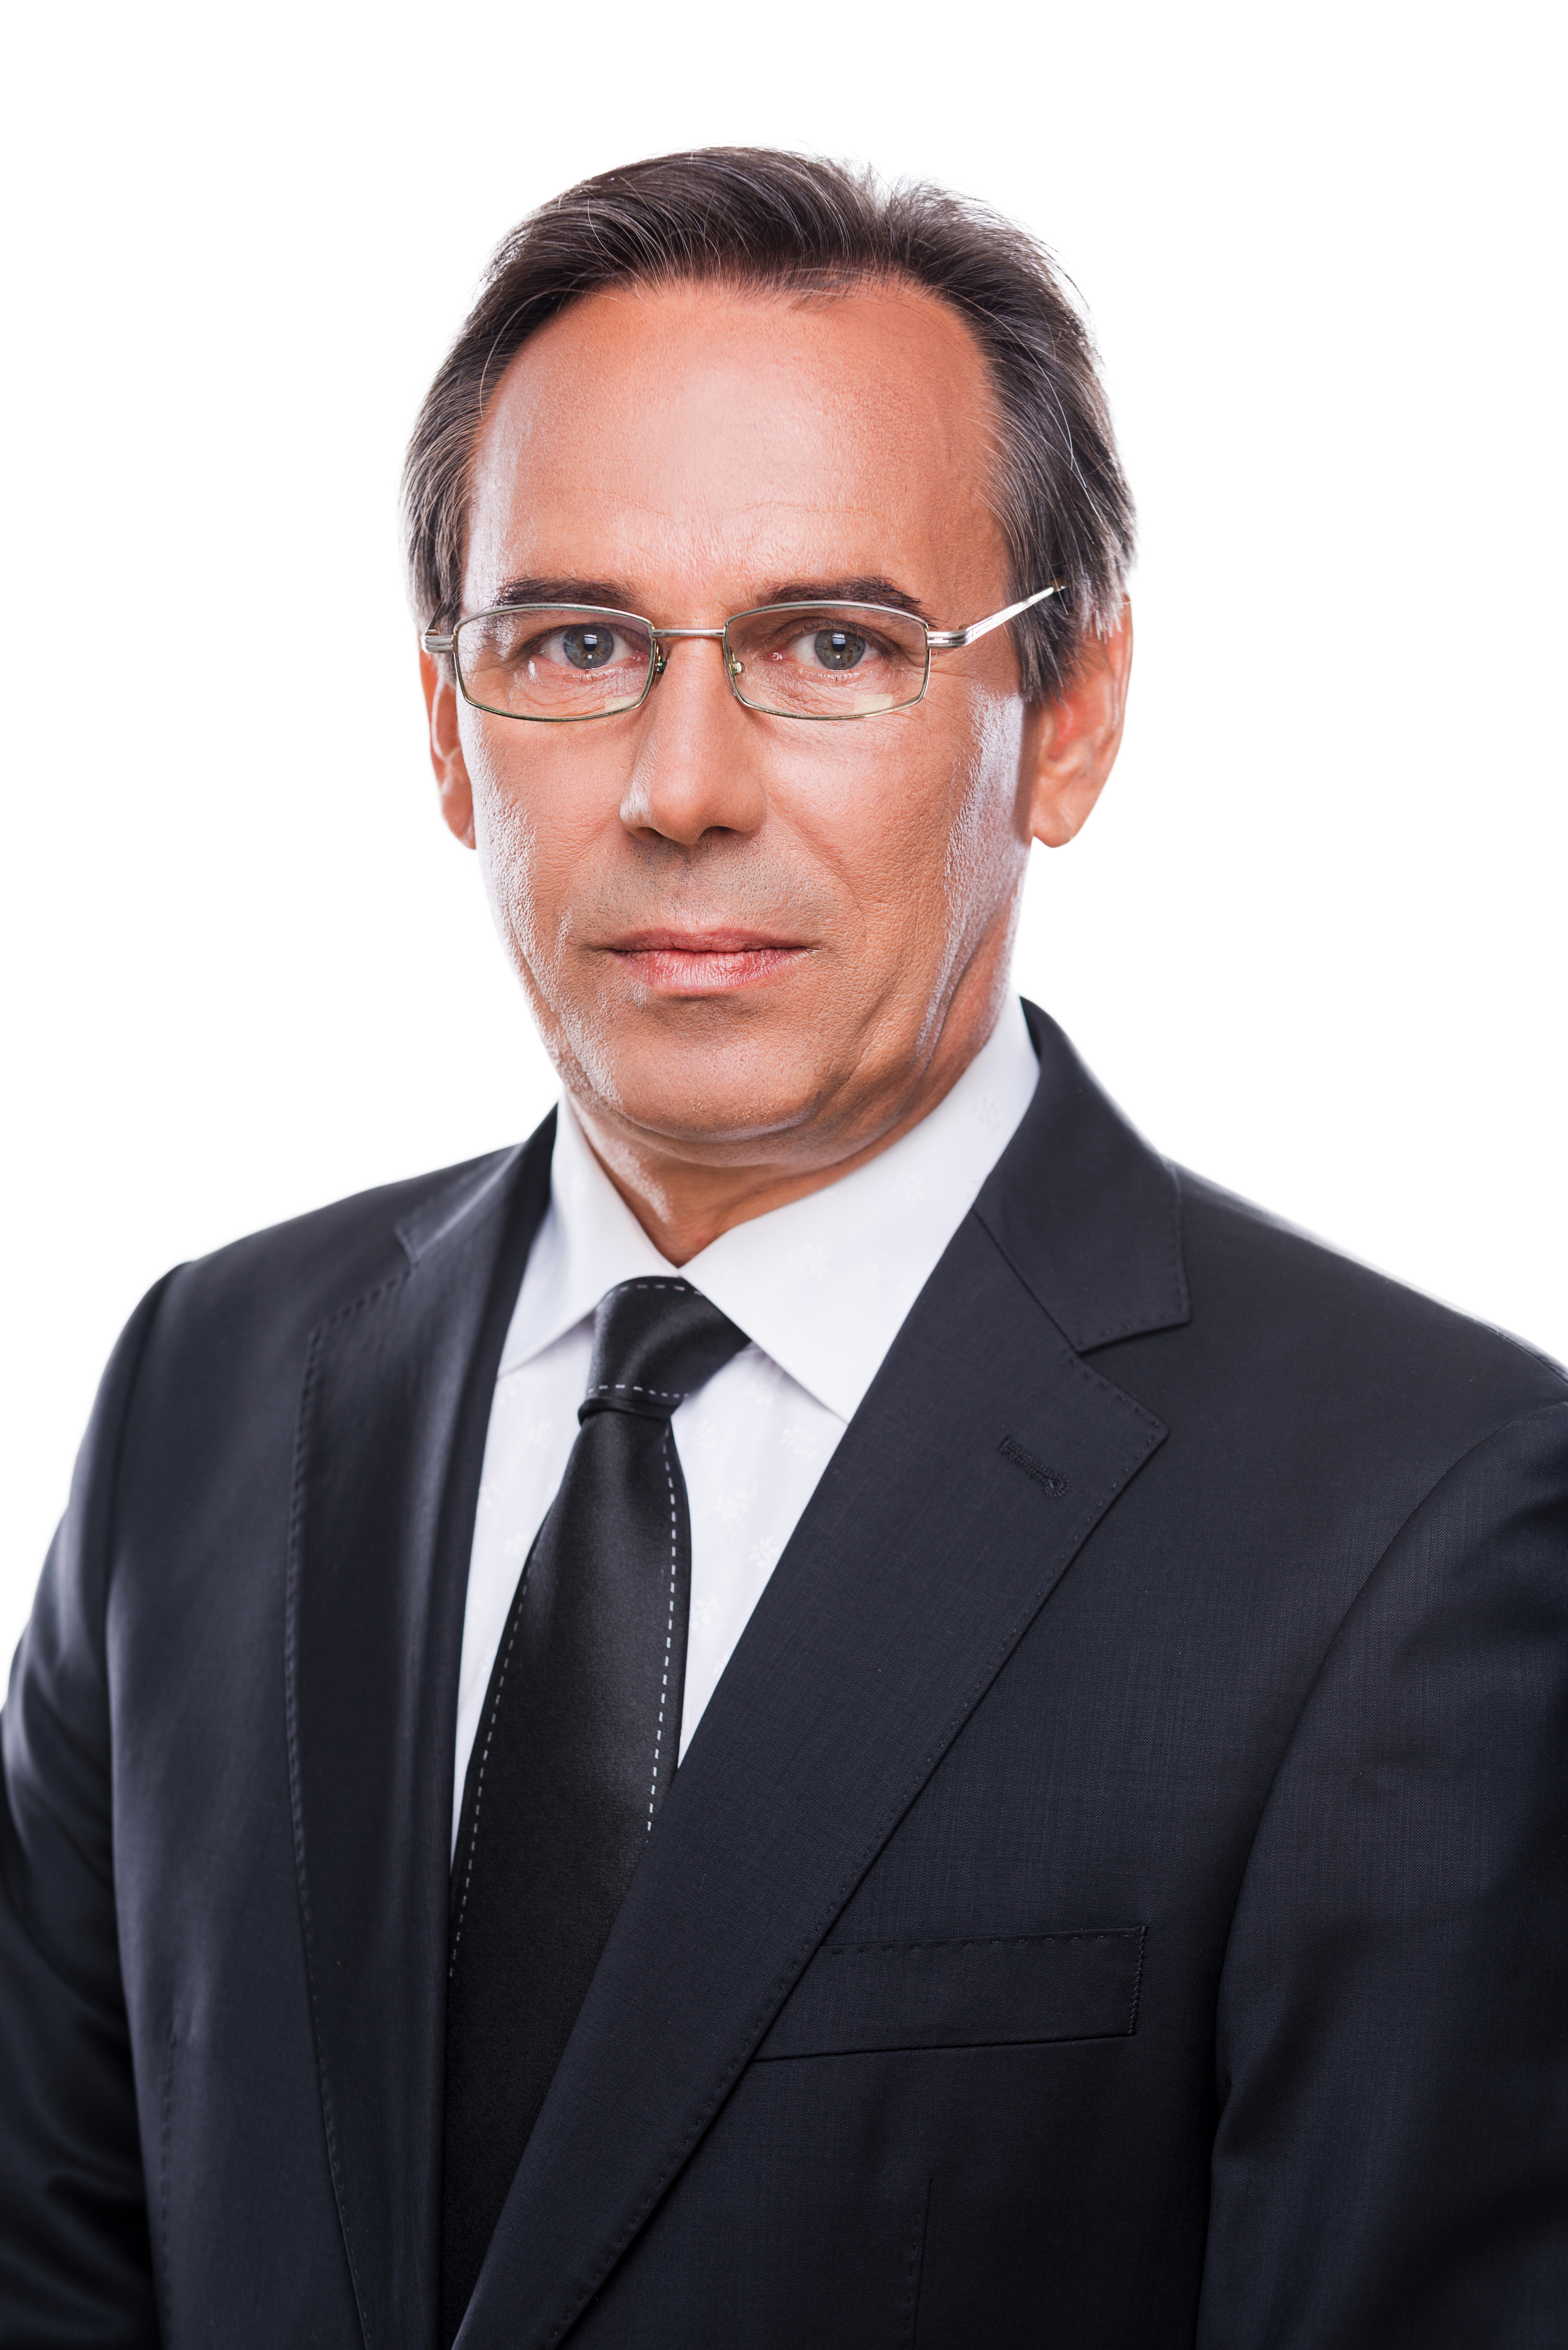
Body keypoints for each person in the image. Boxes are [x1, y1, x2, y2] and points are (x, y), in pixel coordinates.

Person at [2, 145, 1565, 2350]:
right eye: (577, 643)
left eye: (835, 645)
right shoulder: (206, 1395)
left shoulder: (1422, 1520)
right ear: (449, 729)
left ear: (1072, 716)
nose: (683, 782)